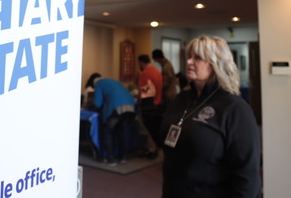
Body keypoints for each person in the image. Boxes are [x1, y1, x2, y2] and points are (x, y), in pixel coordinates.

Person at [159, 36, 261, 198]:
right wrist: (147, 104)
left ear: (216, 64)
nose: (189, 62)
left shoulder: (235, 108)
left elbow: (247, 175)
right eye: (189, 57)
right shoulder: (182, 99)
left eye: (198, 58)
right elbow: (163, 139)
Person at [92, 76, 136, 165]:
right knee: (122, 131)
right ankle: (123, 157)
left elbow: (97, 103)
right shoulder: (115, 81)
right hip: (131, 107)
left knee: (107, 131)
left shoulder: (98, 84)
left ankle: (110, 159)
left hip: (117, 108)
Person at [137, 54, 163, 158]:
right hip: (158, 103)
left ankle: (152, 149)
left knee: (147, 129)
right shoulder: (157, 71)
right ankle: (154, 148)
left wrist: (139, 101)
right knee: (154, 129)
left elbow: (145, 92)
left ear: (141, 63)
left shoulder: (146, 73)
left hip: (149, 105)